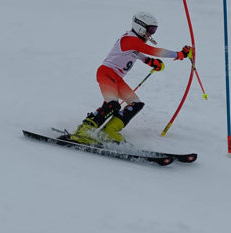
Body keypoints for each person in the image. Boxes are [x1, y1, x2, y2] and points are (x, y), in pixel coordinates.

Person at [67, 11, 193, 145]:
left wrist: (152, 63)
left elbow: (139, 54)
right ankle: (83, 131)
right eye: (150, 29)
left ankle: (109, 132)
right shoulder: (130, 39)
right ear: (140, 26)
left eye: (154, 30)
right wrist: (179, 54)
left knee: (136, 104)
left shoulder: (135, 42)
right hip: (106, 73)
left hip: (117, 79)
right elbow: (152, 51)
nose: (152, 33)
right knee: (112, 104)